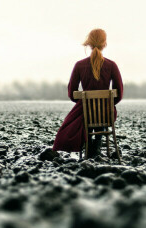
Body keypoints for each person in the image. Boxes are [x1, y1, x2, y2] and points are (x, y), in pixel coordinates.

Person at [52, 28, 123, 158]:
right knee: (102, 113)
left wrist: (84, 103)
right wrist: (108, 103)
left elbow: (71, 92)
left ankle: (89, 146)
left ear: (89, 44)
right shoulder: (112, 65)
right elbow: (119, 92)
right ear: (104, 43)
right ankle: (97, 145)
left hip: (86, 113)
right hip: (106, 113)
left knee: (85, 113)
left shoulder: (79, 65)